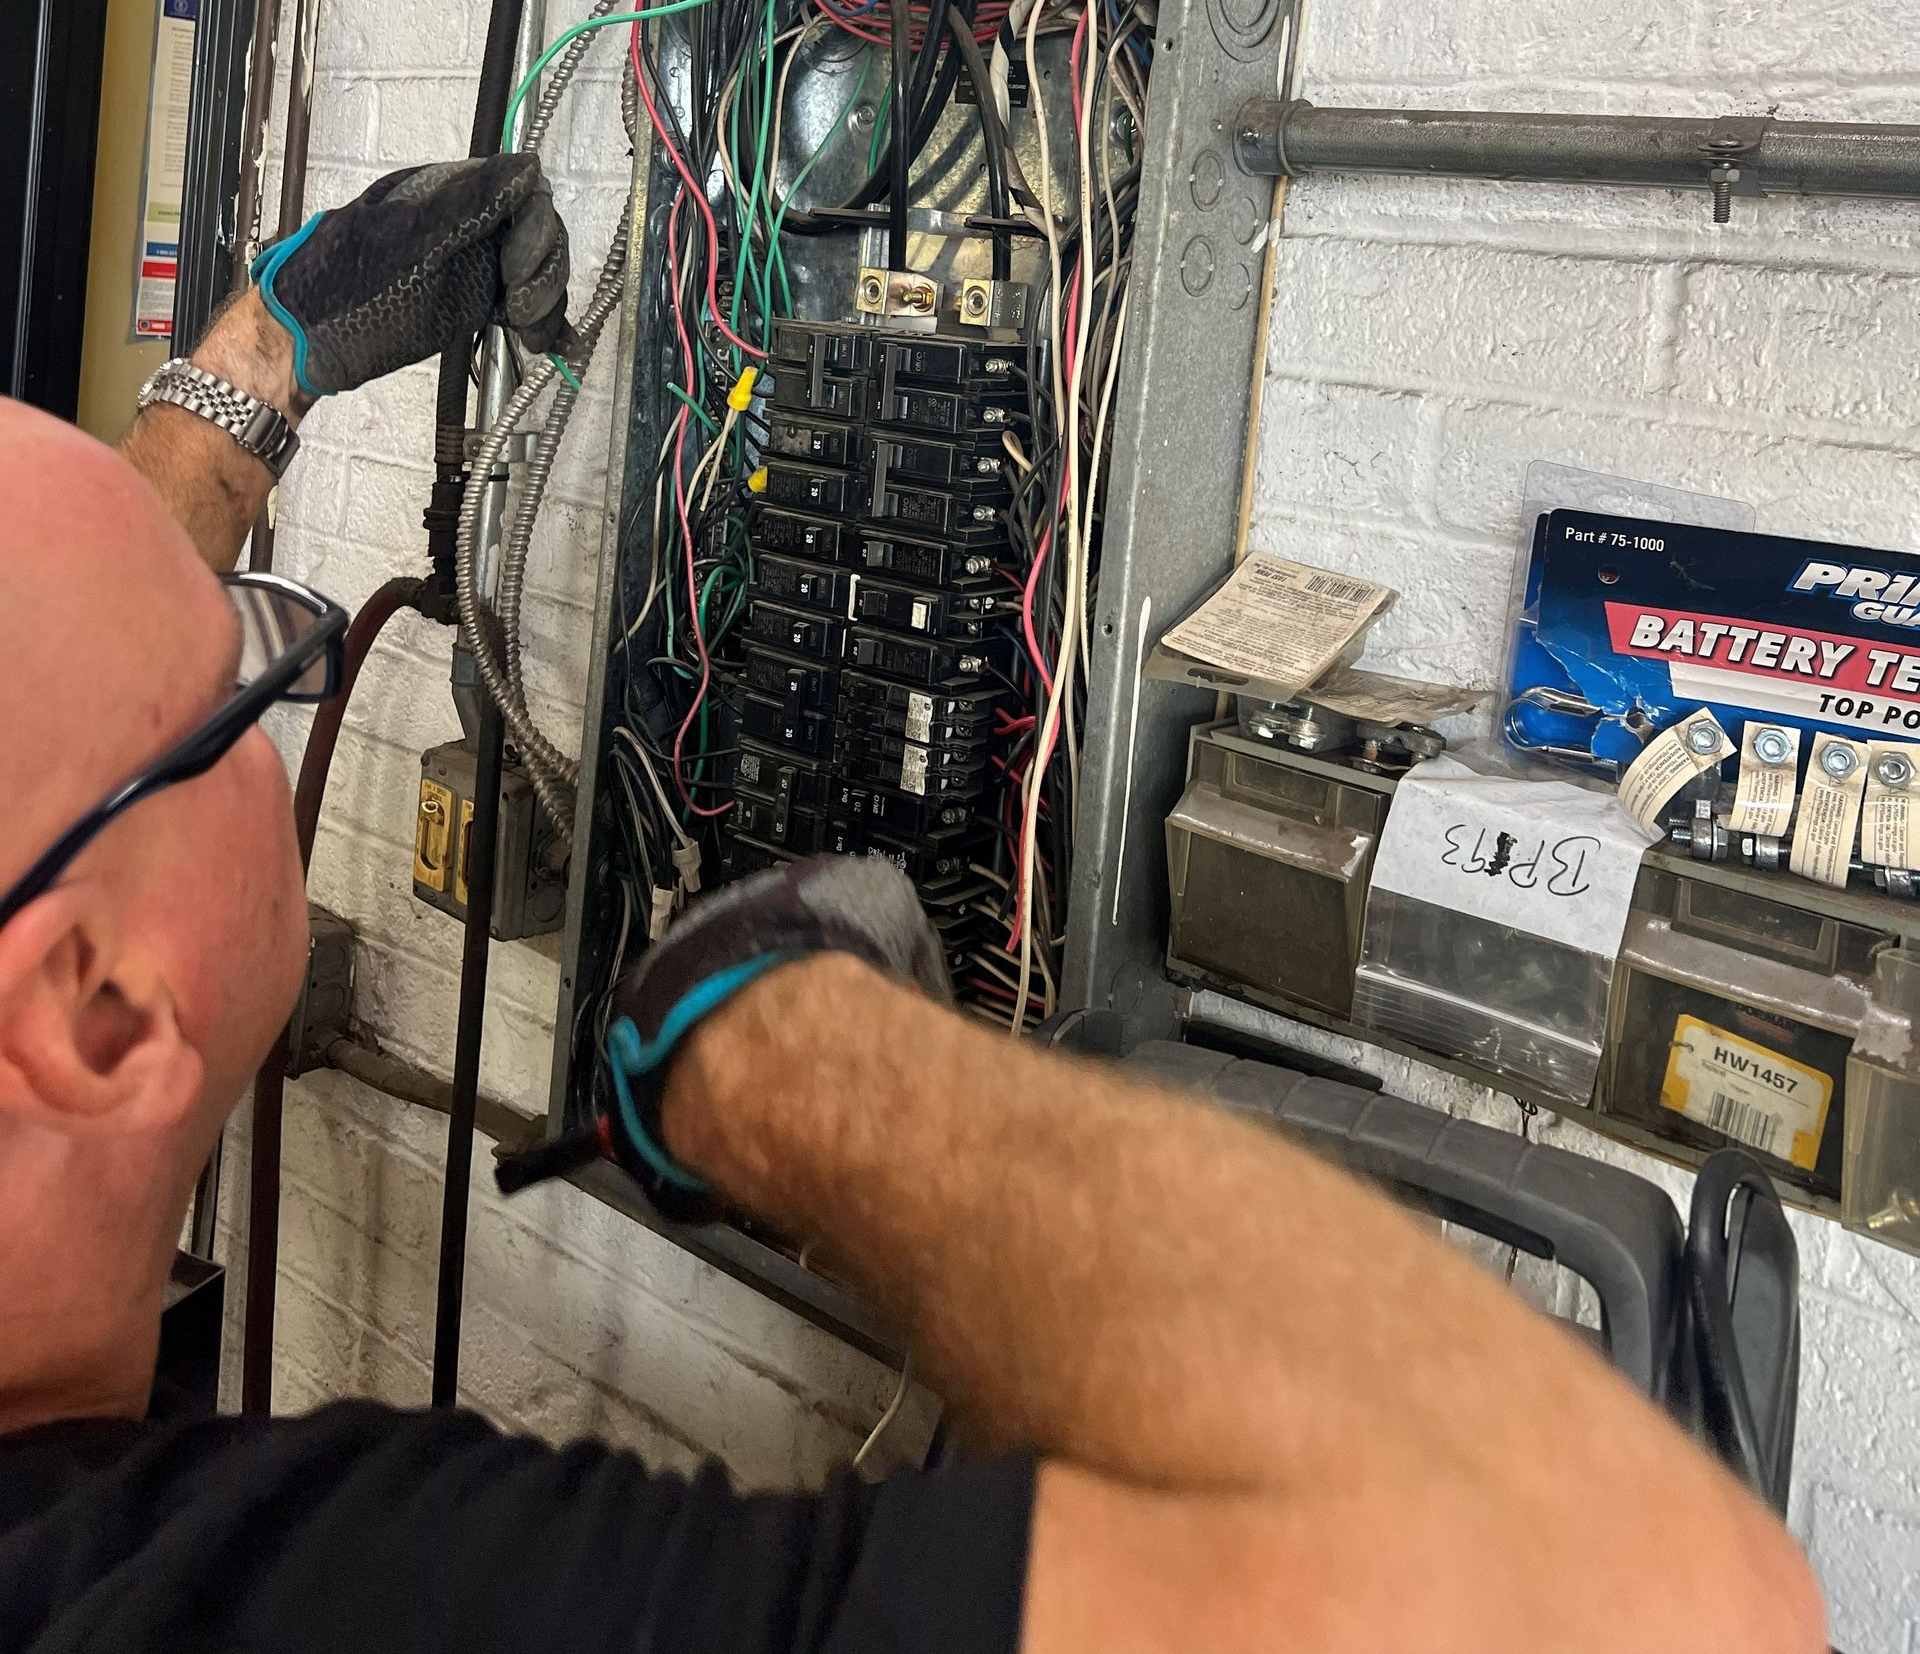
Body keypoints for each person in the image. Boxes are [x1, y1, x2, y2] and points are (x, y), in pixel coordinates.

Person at [0, 164, 1825, 1653]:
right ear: (101, 1019)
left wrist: (249, 373)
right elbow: (1629, 1587)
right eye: (245, 679)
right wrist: (770, 1047)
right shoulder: (284, 1602)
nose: (277, 684)